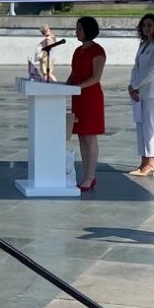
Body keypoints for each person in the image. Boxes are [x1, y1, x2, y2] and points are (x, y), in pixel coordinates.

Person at [66, 16, 106, 191]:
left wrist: (77, 87)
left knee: (90, 137)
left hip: (90, 98)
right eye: (76, 29)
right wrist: (65, 86)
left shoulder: (98, 51)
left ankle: (91, 176)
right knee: (81, 136)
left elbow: (96, 77)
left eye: (79, 29)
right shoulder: (78, 51)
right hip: (77, 97)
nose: (77, 32)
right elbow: (74, 73)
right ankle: (86, 174)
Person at [127, 14, 154, 178]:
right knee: (141, 126)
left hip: (152, 92)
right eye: (144, 25)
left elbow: (153, 71)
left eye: (149, 25)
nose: (146, 28)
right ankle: (143, 161)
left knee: (150, 125)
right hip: (138, 92)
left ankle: (151, 162)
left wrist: (135, 85)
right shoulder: (143, 44)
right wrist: (132, 86)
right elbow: (136, 68)